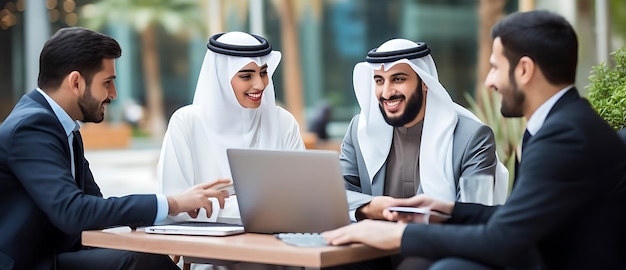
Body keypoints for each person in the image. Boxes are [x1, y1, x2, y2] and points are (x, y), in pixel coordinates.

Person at [323, 10, 626, 270]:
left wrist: (398, 236)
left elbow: (501, 239)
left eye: (495, 67)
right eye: (379, 80)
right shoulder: (561, 124)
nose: (489, 81)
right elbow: (513, 217)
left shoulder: (566, 136)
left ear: (524, 70)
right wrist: (448, 210)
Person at [0, 27, 231, 270]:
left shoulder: (63, 127)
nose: (114, 93)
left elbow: (95, 205)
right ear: (76, 82)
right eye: (107, 82)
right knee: (136, 261)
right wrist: (172, 203)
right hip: (30, 263)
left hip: (59, 253)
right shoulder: (32, 126)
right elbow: (73, 211)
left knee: (144, 253)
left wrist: (165, 220)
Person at [341, 38, 508, 225]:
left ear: (425, 82)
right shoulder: (360, 131)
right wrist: (371, 207)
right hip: (368, 251)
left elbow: (471, 215)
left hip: (438, 251)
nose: (386, 93)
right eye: (379, 81)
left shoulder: (472, 138)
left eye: (398, 79)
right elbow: (336, 195)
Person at [157, 31, 305, 224]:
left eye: (263, 73)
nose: (260, 85)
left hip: (279, 241)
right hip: (207, 245)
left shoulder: (283, 121)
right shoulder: (186, 122)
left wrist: (219, 206)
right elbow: (176, 206)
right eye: (246, 76)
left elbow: (303, 196)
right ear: (221, 79)